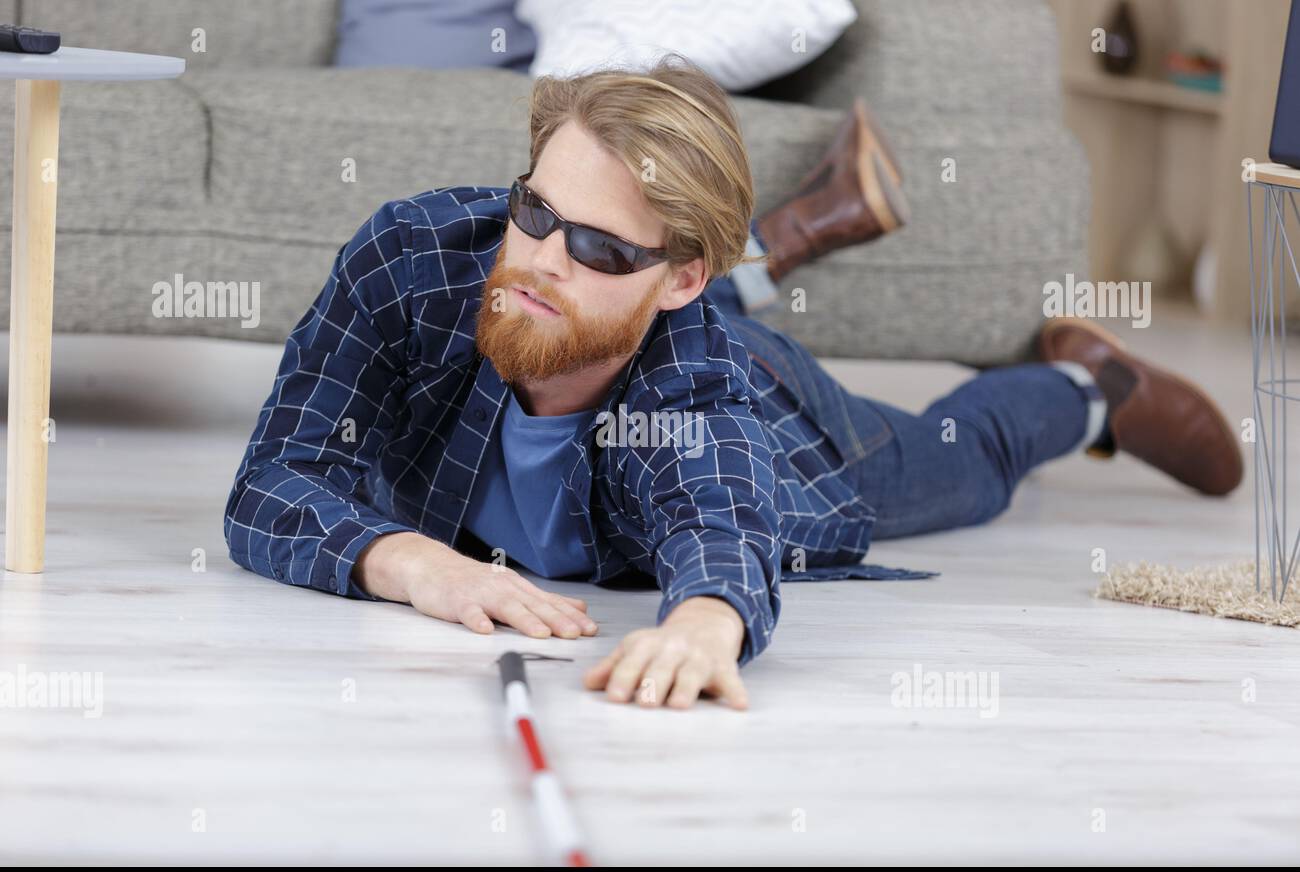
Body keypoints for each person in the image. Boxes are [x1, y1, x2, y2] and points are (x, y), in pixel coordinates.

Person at [223, 55, 1242, 712]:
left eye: (598, 248)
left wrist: (707, 619)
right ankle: (801, 225)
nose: (539, 259)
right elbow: (272, 477)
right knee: (599, 310)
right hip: (666, 311)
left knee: (961, 466)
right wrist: (414, 564)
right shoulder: (413, 255)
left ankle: (1088, 381)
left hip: (775, 407)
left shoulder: (707, 384)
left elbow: (721, 521)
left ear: (678, 276)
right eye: (534, 212)